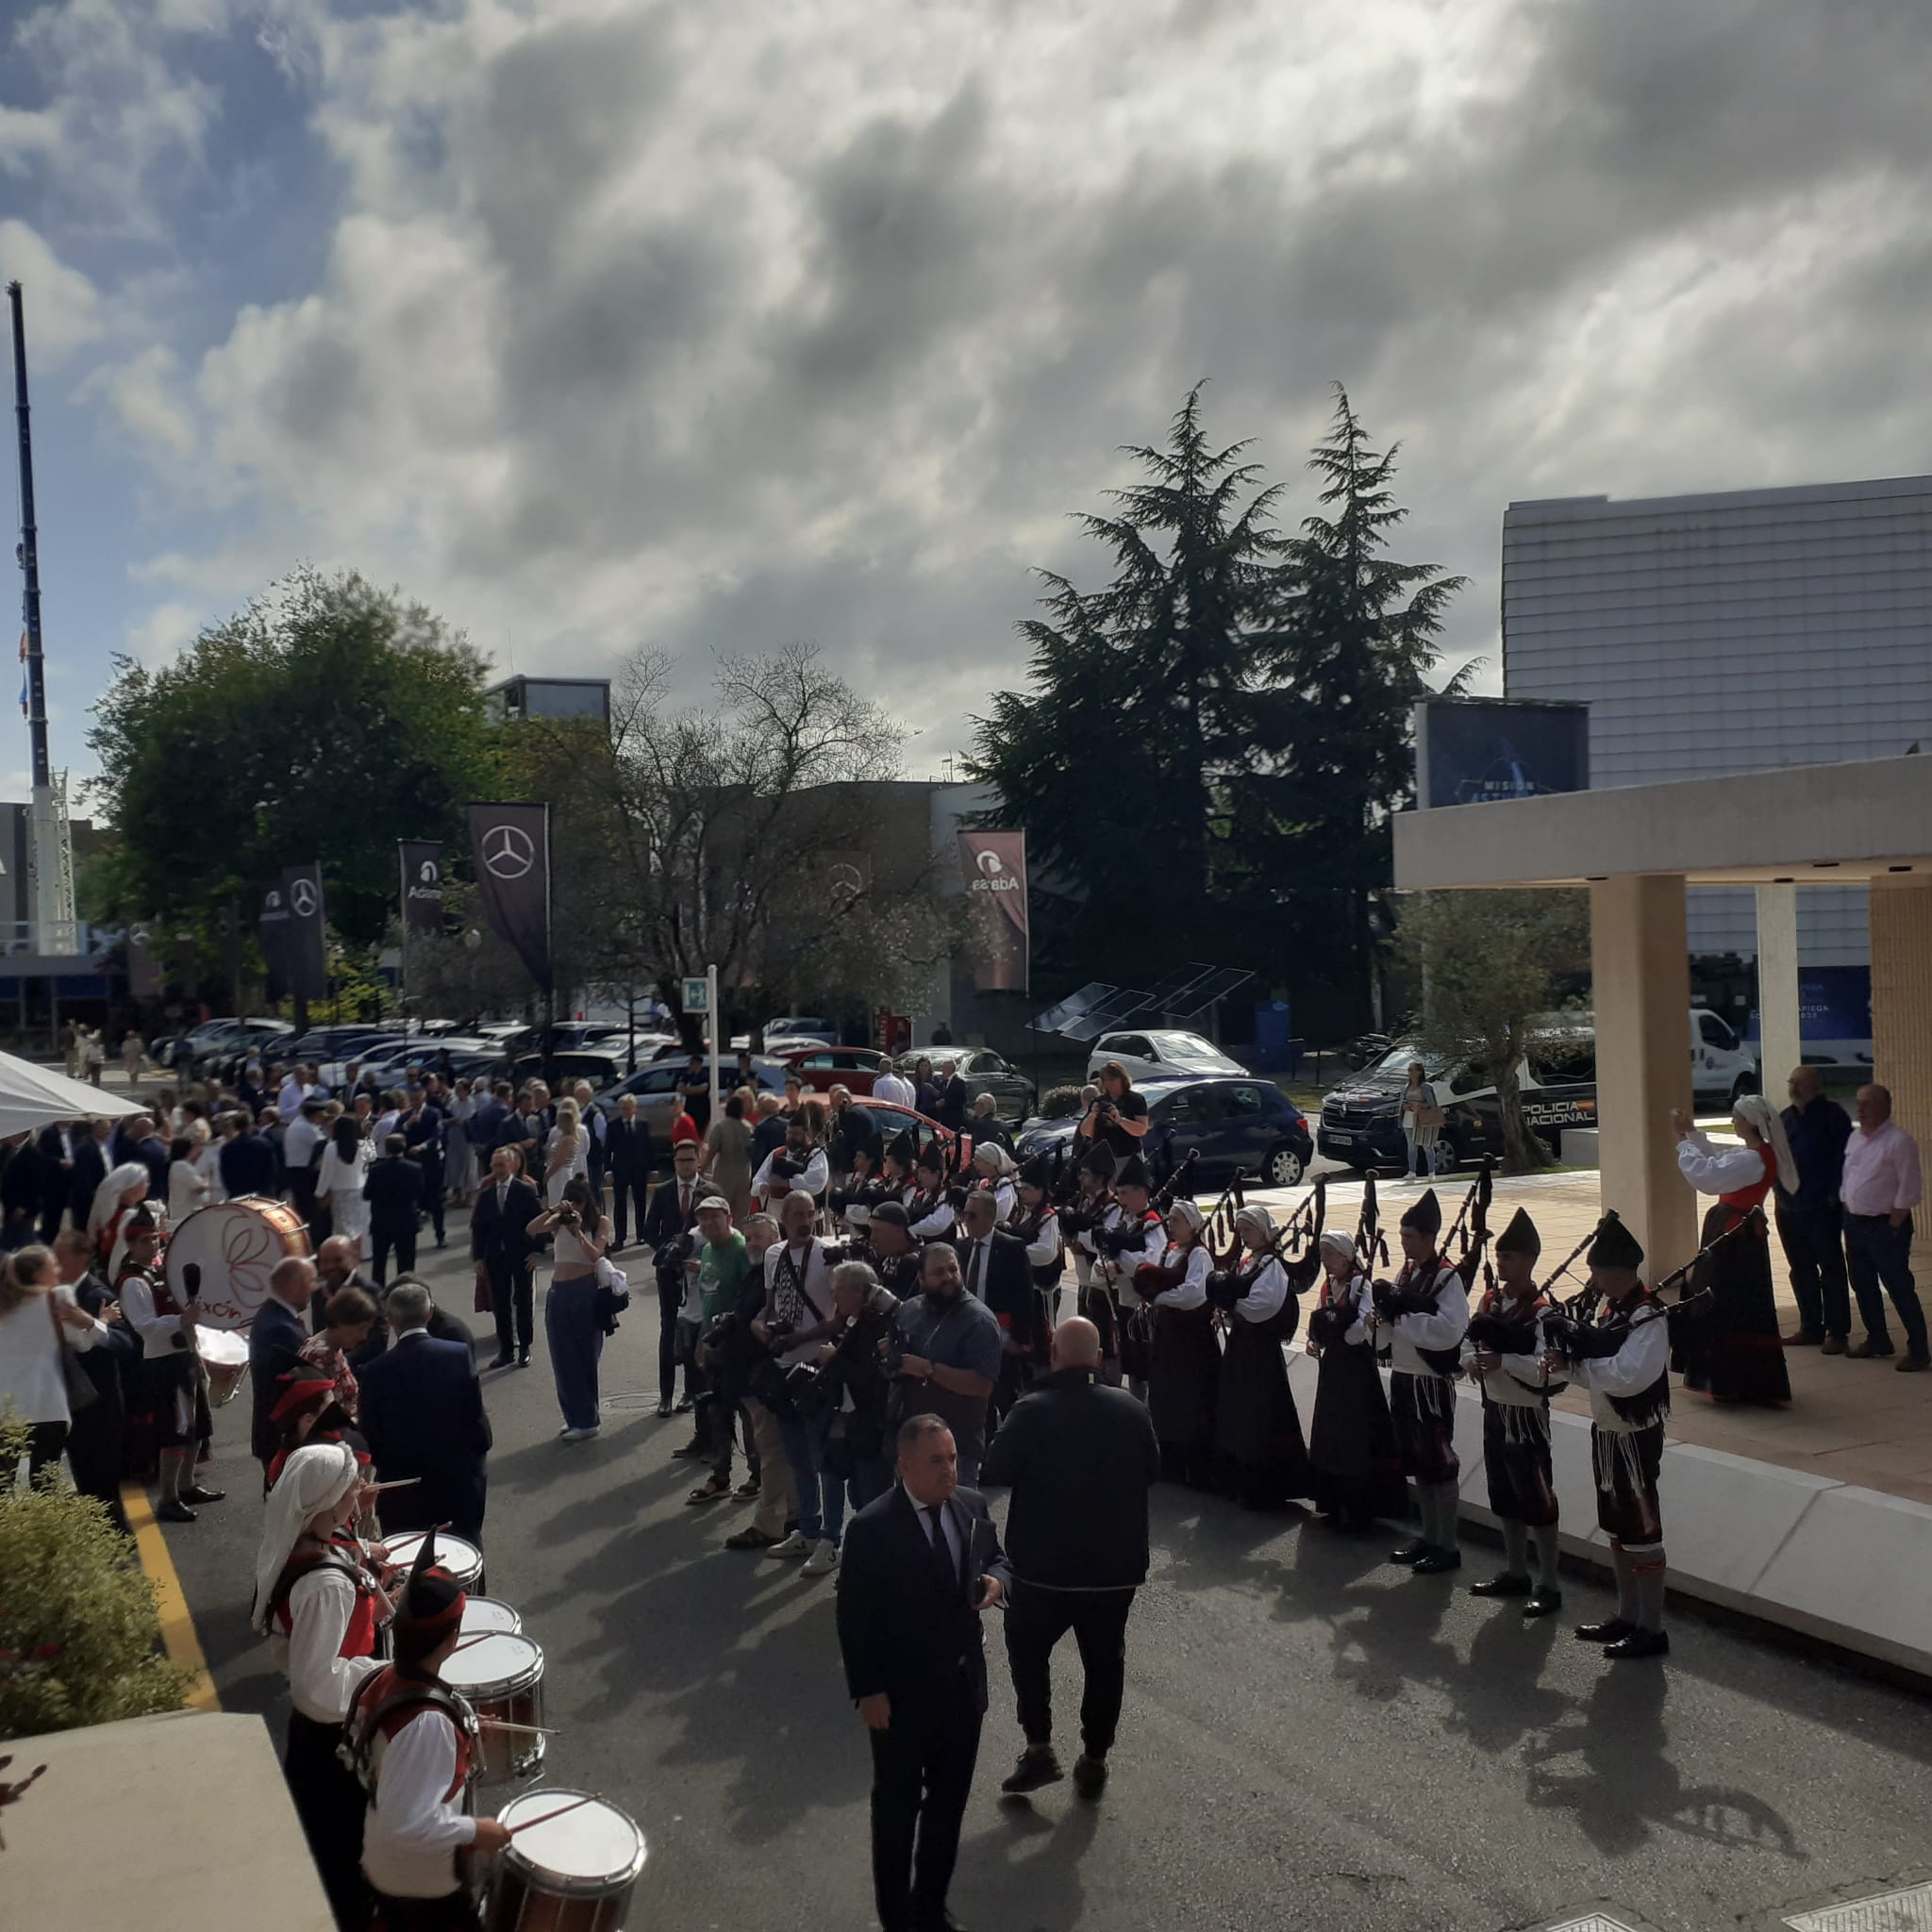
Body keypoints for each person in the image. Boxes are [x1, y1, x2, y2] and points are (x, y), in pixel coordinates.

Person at [836, 1416, 1010, 1932]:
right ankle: (896, 1917)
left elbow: (1000, 1560)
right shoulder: (871, 1528)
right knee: (895, 1814)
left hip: (960, 1691)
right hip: (901, 1698)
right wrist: (867, 1689)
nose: (949, 1470)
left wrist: (996, 1585)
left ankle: (929, 1907)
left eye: (953, 1457)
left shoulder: (971, 1507)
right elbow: (855, 1616)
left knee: (948, 1806)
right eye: (936, 1461)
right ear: (904, 1465)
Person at [980, 1316, 1158, 1801]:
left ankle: (1039, 1746)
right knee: (1105, 1662)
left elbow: (996, 1469)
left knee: (1027, 1652)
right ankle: (1095, 1756)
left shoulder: (1031, 1409)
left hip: (1044, 1567)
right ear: (1099, 1359)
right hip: (1115, 1569)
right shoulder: (1131, 1408)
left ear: (1054, 1353)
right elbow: (1151, 1469)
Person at [251, 1440, 385, 1927]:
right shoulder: (326, 1586)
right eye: (350, 1486)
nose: (359, 1490)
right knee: (342, 1862)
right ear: (325, 1502)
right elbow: (315, 1688)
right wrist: (381, 1673)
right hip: (332, 1746)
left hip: (317, 1742)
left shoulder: (306, 1547)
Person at [346, 1531, 510, 1929]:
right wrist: (477, 1830)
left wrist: (466, 1723)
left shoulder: (384, 1676)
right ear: (453, 1640)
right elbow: (409, 1824)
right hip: (419, 1885)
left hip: (385, 1864)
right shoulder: (428, 1723)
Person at [1541, 1212, 1673, 1660]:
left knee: (1641, 1526)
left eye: (1597, 1270)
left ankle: (1651, 1628)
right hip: (1607, 1430)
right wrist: (1568, 1364)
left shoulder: (1649, 1316)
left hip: (1634, 1436)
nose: (1592, 1278)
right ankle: (1627, 1614)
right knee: (1617, 1525)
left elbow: (1628, 1377)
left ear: (1618, 1271)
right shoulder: (1611, 1309)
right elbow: (1601, 1370)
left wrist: (1577, 1364)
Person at [1464, 1208, 1565, 1616]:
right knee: (1503, 1494)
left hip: (1526, 1414)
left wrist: (1502, 1360)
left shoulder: (1542, 1312)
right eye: (1500, 1256)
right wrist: (1471, 1361)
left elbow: (1547, 1368)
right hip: (1495, 1408)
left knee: (1537, 1498)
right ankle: (1516, 1571)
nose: (1501, 1262)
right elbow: (1470, 1339)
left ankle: (1550, 1583)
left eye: (1508, 1257)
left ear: (1528, 1261)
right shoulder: (1490, 1300)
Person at [1671, 1097, 1796, 1402]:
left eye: (1736, 1117)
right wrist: (1692, 1134)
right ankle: (1743, 1380)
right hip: (1737, 1232)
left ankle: (1730, 1381)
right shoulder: (1753, 1155)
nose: (1732, 1122)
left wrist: (1683, 1144)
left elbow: (1709, 1177)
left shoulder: (1753, 1159)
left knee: (1725, 1301)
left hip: (1734, 1236)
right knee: (1740, 1302)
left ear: (1751, 1122)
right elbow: (1718, 1161)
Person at [1376, 1189, 1472, 1574]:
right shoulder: (1408, 1273)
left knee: (1438, 1462)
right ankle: (1428, 1536)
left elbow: (1450, 1330)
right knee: (1417, 1462)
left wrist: (1400, 1321)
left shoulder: (1447, 1278)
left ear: (1430, 1237)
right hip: (1404, 1375)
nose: (1404, 1244)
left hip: (1429, 1382)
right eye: (1402, 1237)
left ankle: (1447, 1545)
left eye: (1410, 1237)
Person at [358, 1282, 491, 1541]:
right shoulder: (457, 1354)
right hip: (456, 1481)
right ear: (429, 1312)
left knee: (408, 1564)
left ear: (391, 1320)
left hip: (403, 1489)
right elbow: (473, 1414)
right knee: (463, 1553)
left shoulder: (374, 1371)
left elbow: (371, 1435)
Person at [1293, 1230, 1405, 1533]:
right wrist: (1313, 1340)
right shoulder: (1329, 1287)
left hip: (1357, 1372)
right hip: (1332, 1369)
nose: (1324, 1261)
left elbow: (1363, 1330)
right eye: (1323, 1254)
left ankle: (1359, 1508)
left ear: (1345, 1256)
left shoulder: (1360, 1285)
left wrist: (1341, 1334)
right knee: (1332, 1434)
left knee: (1356, 1437)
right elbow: (1318, 1320)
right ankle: (1334, 1502)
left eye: (1329, 1254)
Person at [1209, 1204, 1312, 1509]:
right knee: (1237, 1410)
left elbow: (1265, 1304)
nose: (1244, 1236)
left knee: (1259, 1413)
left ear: (1265, 1231)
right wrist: (1225, 1311)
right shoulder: (1247, 1263)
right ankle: (1236, 1479)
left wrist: (1233, 1306)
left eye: (1249, 1230)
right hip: (1241, 1346)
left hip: (1260, 1349)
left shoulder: (1272, 1266)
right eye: (1241, 1231)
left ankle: (1264, 1487)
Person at [758, 1187, 841, 1562]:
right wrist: (762, 1328)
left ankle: (829, 1538)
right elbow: (769, 1306)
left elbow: (843, 1315)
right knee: (796, 1456)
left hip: (817, 1368)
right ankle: (807, 1528)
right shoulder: (773, 1254)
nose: (806, 1221)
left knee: (824, 1456)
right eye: (797, 1215)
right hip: (783, 1368)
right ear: (783, 1218)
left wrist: (804, 1337)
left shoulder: (828, 1254)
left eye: (810, 1213)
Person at [803, 1258, 902, 1569]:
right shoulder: (849, 1321)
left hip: (868, 1424)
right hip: (841, 1417)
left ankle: (873, 1560)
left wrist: (833, 1359)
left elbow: (872, 1377)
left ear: (861, 1292)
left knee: (868, 1494)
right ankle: (830, 1540)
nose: (834, 1296)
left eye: (839, 1290)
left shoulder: (878, 1327)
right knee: (831, 1473)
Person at [889, 1240, 1004, 1487]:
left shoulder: (979, 1320)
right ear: (921, 1278)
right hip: (912, 1444)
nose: (948, 1277)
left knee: (953, 1523)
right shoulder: (908, 1310)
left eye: (953, 1269)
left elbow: (983, 1384)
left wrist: (928, 1369)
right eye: (939, 1272)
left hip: (956, 1450)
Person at [0, 1242, 111, 1481]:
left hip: (5, 1409)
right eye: (53, 1266)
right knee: (45, 1482)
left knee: (4, 1486)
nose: (59, 1271)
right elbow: (81, 1343)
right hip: (47, 1405)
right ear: (38, 1273)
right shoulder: (57, 1299)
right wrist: (102, 1321)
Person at [1839, 1082, 1930, 1371]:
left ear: (1884, 1108)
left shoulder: (1899, 1141)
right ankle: (1878, 1339)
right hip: (1854, 1223)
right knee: (1863, 1284)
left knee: (1899, 1286)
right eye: (1858, 1103)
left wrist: (1892, 1226)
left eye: (1867, 1104)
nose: (1860, 1109)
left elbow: (1910, 1189)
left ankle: (1919, 1349)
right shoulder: (1855, 1138)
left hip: (1885, 1226)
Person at [54, 1226, 136, 1532]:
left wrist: (90, 1323)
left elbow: (126, 1344)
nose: (53, 1261)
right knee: (85, 1482)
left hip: (100, 1404)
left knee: (103, 1485)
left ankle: (117, 1544)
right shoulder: (56, 1294)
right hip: (74, 1402)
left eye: (59, 1256)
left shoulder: (96, 1294)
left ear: (81, 1260)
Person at [1137, 1197, 1221, 1487]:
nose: (1170, 1225)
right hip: (1167, 1338)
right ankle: (1169, 1460)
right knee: (1167, 1397)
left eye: (1176, 1220)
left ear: (1191, 1224)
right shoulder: (1168, 1251)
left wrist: (1159, 1298)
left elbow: (1195, 1293)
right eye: (1169, 1219)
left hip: (1191, 1341)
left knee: (1190, 1400)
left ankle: (1195, 1466)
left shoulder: (1199, 1255)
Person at [683, 1194, 758, 1506]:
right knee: (717, 1411)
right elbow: (707, 1300)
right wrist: (702, 1341)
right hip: (713, 1342)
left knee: (747, 1412)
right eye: (702, 1218)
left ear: (729, 1217)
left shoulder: (741, 1249)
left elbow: (752, 1297)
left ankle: (757, 1474)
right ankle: (721, 1475)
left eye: (714, 1216)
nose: (708, 1223)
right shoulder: (709, 1250)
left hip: (738, 1346)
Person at [1775, 1065, 1855, 1352]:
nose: (1793, 1088)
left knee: (1830, 1268)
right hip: (1788, 1207)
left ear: (1816, 1086)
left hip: (1822, 1207)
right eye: (1791, 1082)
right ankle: (1810, 1327)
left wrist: (1834, 1196)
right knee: (1800, 1269)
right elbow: (1777, 1158)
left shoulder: (1833, 1116)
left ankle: (1837, 1332)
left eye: (1800, 1083)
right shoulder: (1784, 1118)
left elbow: (1845, 1158)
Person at [530, 1174, 612, 1441]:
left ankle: (588, 1419)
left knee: (585, 1354)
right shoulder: (559, 1221)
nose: (575, 1209)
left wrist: (578, 1232)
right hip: (558, 1292)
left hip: (584, 1291)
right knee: (561, 1355)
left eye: (579, 1203)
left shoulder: (599, 1223)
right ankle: (574, 1417)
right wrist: (556, 1210)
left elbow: (595, 1255)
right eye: (571, 1203)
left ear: (588, 1202)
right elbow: (531, 1228)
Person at [954, 1189, 1037, 1425]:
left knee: (1005, 1398)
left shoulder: (1011, 1248)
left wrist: (1018, 1339)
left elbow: (1023, 1295)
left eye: (972, 1216)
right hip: (967, 1336)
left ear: (990, 1218)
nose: (965, 1221)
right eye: (964, 1214)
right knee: (977, 1403)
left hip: (1000, 1337)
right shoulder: (960, 1247)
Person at [641, 1139, 705, 1416]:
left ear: (699, 1161)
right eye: (680, 1161)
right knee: (669, 1331)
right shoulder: (664, 1191)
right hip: (669, 1272)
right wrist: (669, 1253)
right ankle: (665, 1395)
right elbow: (649, 1230)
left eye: (690, 1160)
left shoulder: (709, 1190)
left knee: (693, 1331)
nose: (685, 1165)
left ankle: (691, 1392)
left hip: (700, 1273)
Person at [250, 1256, 319, 1489]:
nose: (315, 1287)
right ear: (293, 1286)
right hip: (284, 1440)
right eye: (311, 1281)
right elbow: (309, 1376)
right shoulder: (282, 1329)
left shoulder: (273, 1315)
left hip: (276, 1436)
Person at [471, 1146, 541, 1371]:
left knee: (523, 1301)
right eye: (494, 1165)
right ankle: (506, 1350)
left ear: (512, 1165)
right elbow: (478, 1229)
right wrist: (478, 1258)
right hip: (495, 1257)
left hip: (521, 1256)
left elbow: (539, 1222)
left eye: (501, 1164)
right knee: (501, 1305)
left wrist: (536, 1251)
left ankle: (525, 1347)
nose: (496, 1169)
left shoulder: (524, 1190)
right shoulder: (487, 1195)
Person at [299, 1285, 379, 1425]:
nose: (364, 1336)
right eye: (361, 1329)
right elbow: (325, 1414)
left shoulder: (330, 1348)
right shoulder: (322, 1356)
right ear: (341, 1322)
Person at [364, 1134, 426, 1288]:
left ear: (386, 1149)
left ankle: (378, 1294)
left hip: (382, 1221)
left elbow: (366, 1195)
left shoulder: (376, 1170)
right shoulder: (415, 1168)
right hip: (407, 1220)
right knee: (406, 1263)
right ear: (404, 1147)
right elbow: (420, 1191)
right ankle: (405, 1292)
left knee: (379, 1263)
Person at [320, 1115, 375, 1263]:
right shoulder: (366, 1143)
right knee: (363, 1222)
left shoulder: (331, 1147)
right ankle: (365, 1252)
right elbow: (372, 1165)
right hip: (362, 1188)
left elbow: (326, 1174)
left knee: (343, 1225)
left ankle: (345, 1254)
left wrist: (320, 1192)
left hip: (340, 1190)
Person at [398, 1086, 447, 1250]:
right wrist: (407, 1125)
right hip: (412, 1164)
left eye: (418, 1099)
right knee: (413, 1200)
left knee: (437, 1200)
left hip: (431, 1162)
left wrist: (423, 1146)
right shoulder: (405, 1116)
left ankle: (440, 1235)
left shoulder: (433, 1114)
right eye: (412, 1099)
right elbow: (396, 1134)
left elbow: (437, 1134)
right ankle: (409, 1238)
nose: (415, 1102)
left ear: (424, 1098)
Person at [1073, 1060, 1150, 1162]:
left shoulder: (1135, 1099)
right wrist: (1093, 1115)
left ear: (1122, 1079)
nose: (1109, 1083)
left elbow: (1142, 1130)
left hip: (1128, 1156)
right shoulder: (1100, 1101)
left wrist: (1120, 1120)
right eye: (1105, 1080)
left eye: (1112, 1079)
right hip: (1103, 1157)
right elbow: (1085, 1132)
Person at [607, 1095, 653, 1251]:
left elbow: (648, 1146)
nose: (625, 1111)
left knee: (640, 1202)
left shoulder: (643, 1124)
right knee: (620, 1203)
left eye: (628, 1108)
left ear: (635, 1108)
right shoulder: (613, 1126)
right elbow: (608, 1149)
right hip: (620, 1170)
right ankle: (620, 1237)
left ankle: (641, 1234)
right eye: (623, 1108)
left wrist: (653, 1168)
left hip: (639, 1169)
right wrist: (608, 1170)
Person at [702, 1091, 757, 1221]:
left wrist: (702, 1169)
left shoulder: (720, 1127)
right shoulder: (749, 1128)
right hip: (744, 1176)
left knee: (721, 1211)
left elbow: (712, 1151)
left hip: (724, 1175)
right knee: (741, 1215)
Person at [220, 1109, 279, 1200]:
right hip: (262, 1193)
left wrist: (233, 1191)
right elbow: (271, 1170)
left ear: (235, 1126)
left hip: (238, 1194)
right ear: (250, 1124)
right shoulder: (264, 1144)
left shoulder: (227, 1148)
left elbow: (225, 1174)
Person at [542, 1097, 589, 1208]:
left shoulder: (567, 1140)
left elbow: (560, 1160)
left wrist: (548, 1175)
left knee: (557, 1201)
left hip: (560, 1174)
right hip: (560, 1173)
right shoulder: (564, 1137)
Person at [1400, 1060, 1443, 1179]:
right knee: (1411, 1146)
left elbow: (1432, 1104)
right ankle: (1412, 1171)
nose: (1410, 1073)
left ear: (1419, 1072)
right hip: (1409, 1117)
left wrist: (1420, 1106)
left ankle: (1431, 1172)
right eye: (1409, 1070)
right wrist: (1404, 1106)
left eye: (1412, 1070)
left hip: (1423, 1118)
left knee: (1427, 1145)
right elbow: (1402, 1101)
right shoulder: (1406, 1086)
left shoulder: (1426, 1087)